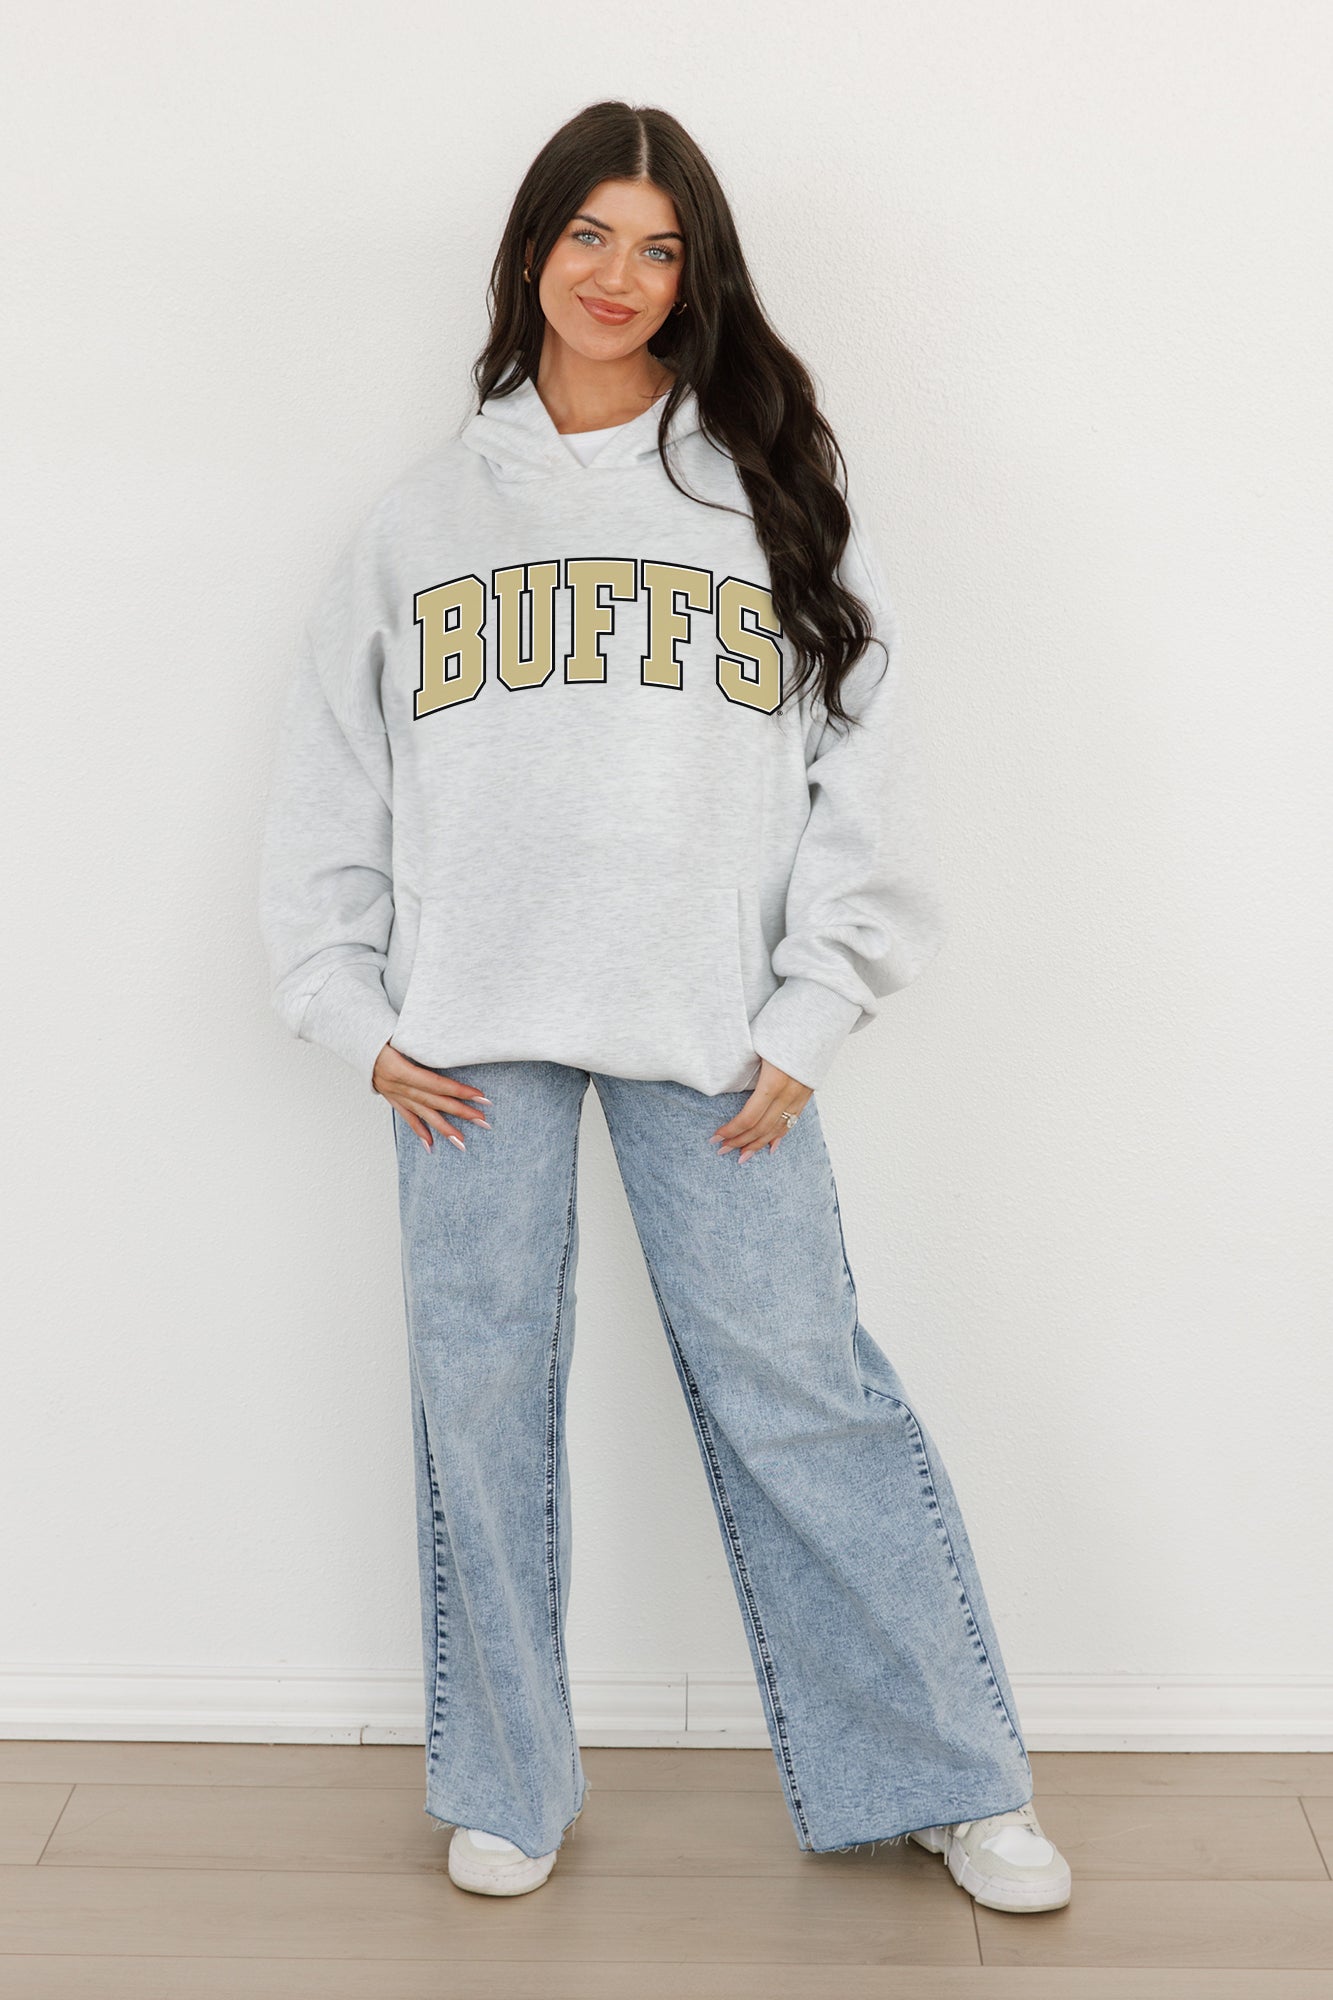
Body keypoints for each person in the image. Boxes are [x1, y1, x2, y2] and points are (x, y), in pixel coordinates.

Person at [257, 99, 1072, 1916]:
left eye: (658, 248)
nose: (617, 276)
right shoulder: (422, 518)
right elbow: (330, 779)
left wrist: (813, 1009)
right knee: (480, 1400)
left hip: (716, 1037)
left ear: (693, 279)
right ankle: (507, 1782)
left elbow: (865, 770)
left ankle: (945, 1778)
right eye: (588, 236)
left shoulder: (758, 499)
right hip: (465, 1045)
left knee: (802, 1391)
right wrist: (343, 1007)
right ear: (528, 251)